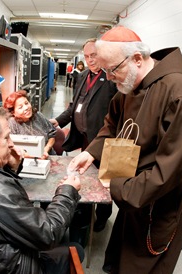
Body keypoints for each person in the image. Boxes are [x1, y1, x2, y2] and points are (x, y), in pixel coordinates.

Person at [68, 26, 182, 273]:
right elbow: (111, 123)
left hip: (158, 199)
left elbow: (171, 170)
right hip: (135, 193)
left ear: (137, 59)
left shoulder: (178, 93)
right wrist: (91, 152)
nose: (108, 77)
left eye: (112, 69)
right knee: (122, 258)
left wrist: (117, 187)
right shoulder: (129, 85)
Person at [0, 107, 84, 274]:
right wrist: (67, 192)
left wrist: (12, 168)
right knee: (76, 249)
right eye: (6, 137)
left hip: (0, 258)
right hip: (18, 267)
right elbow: (48, 233)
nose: (11, 144)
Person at [50, 38, 118, 242]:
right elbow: (74, 107)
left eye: (94, 55)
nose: (90, 60)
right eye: (87, 56)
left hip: (104, 141)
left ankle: (103, 216)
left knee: (104, 181)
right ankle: (86, 210)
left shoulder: (112, 79)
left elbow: (118, 114)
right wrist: (58, 121)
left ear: (102, 55)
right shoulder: (82, 76)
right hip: (85, 140)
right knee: (87, 178)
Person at [3, 90, 56, 159]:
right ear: (13, 112)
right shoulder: (12, 124)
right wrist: (36, 156)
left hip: (48, 156)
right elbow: (12, 149)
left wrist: (45, 149)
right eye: (20, 107)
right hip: (24, 161)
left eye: (26, 103)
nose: (26, 108)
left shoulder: (38, 115)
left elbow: (52, 135)